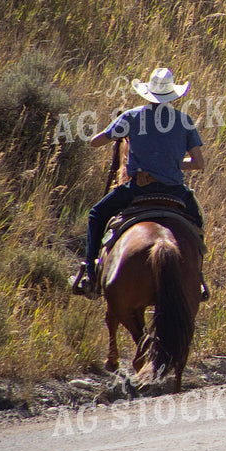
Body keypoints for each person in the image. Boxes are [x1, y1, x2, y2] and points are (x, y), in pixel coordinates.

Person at [71, 66, 208, 298]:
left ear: (149, 93)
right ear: (172, 94)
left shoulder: (132, 116)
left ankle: (90, 273)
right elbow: (198, 163)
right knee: (197, 223)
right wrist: (173, 164)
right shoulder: (185, 121)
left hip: (138, 189)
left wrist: (117, 130)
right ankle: (199, 280)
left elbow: (95, 142)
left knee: (96, 214)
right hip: (175, 191)